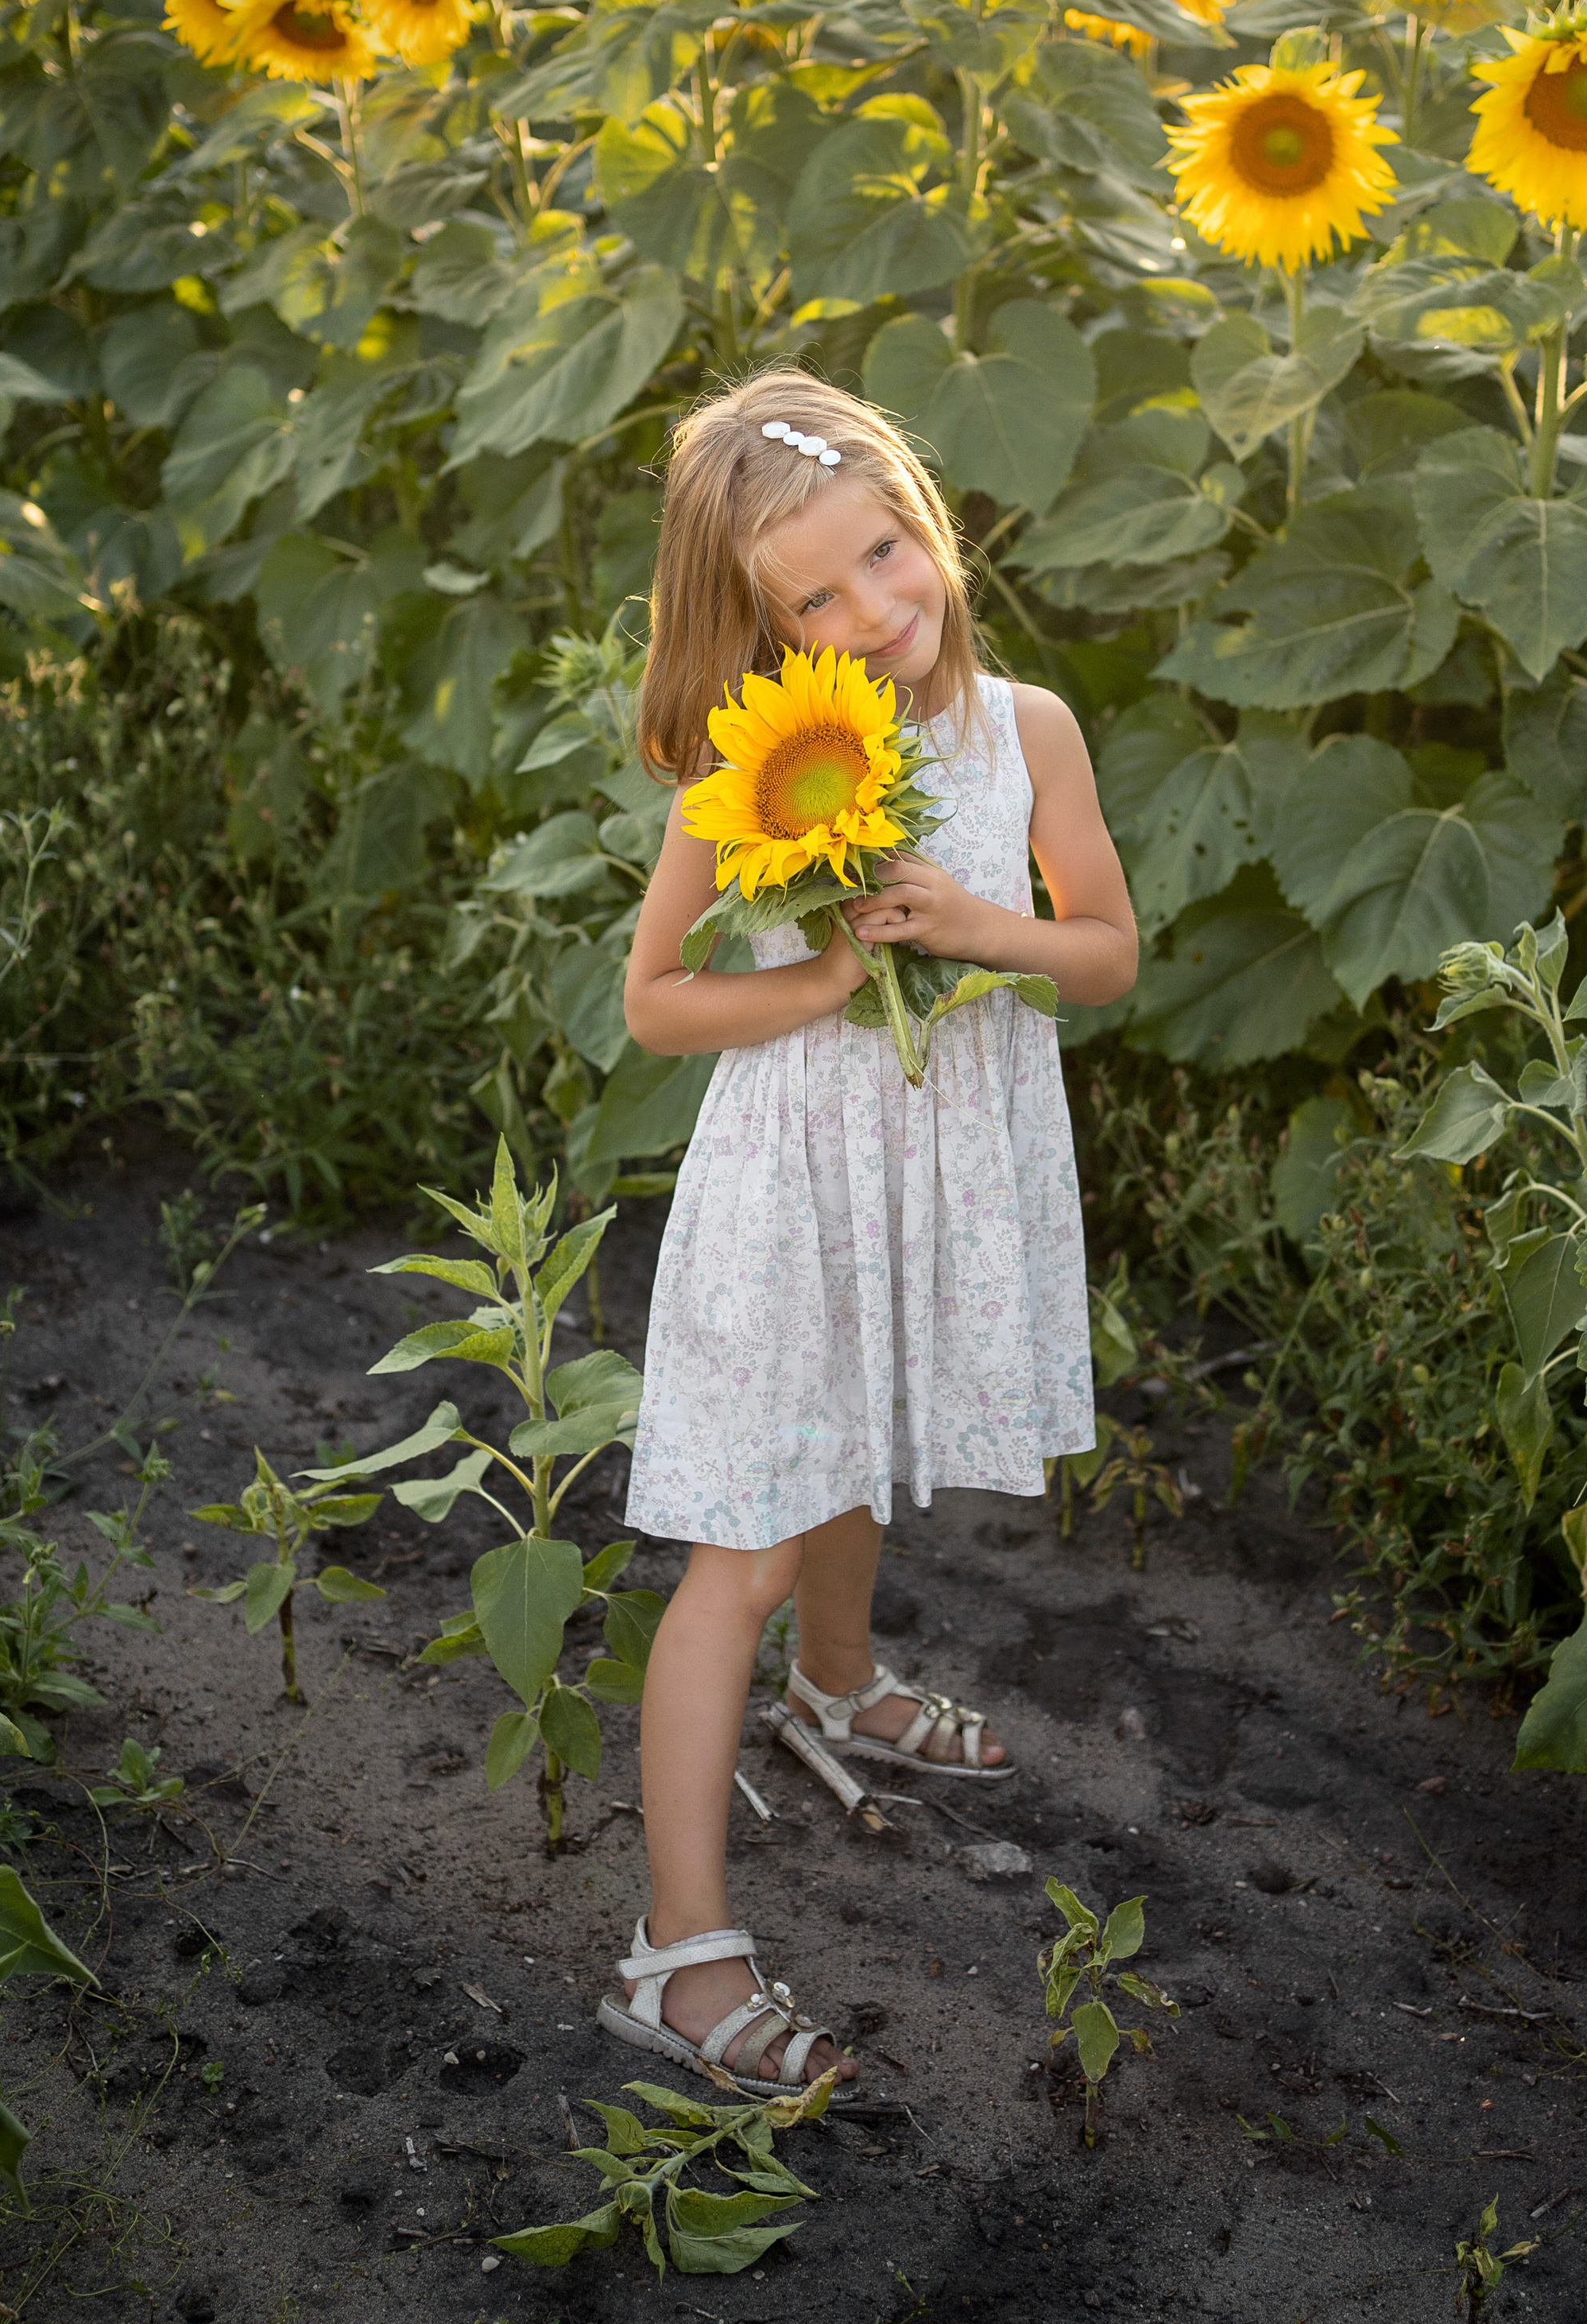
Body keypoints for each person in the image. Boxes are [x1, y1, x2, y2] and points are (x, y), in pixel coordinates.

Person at [600, 366, 1137, 2097]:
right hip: (790, 1182)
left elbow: (1109, 954)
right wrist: (831, 977)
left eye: (882, 554)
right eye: (812, 599)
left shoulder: (1025, 730)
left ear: (924, 514)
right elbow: (656, 1004)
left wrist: (982, 925)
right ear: (763, 623)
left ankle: (836, 1691)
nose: (870, 610)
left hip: (939, 1172)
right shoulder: (743, 768)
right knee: (738, 1547)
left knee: (863, 1447)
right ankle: (678, 1958)